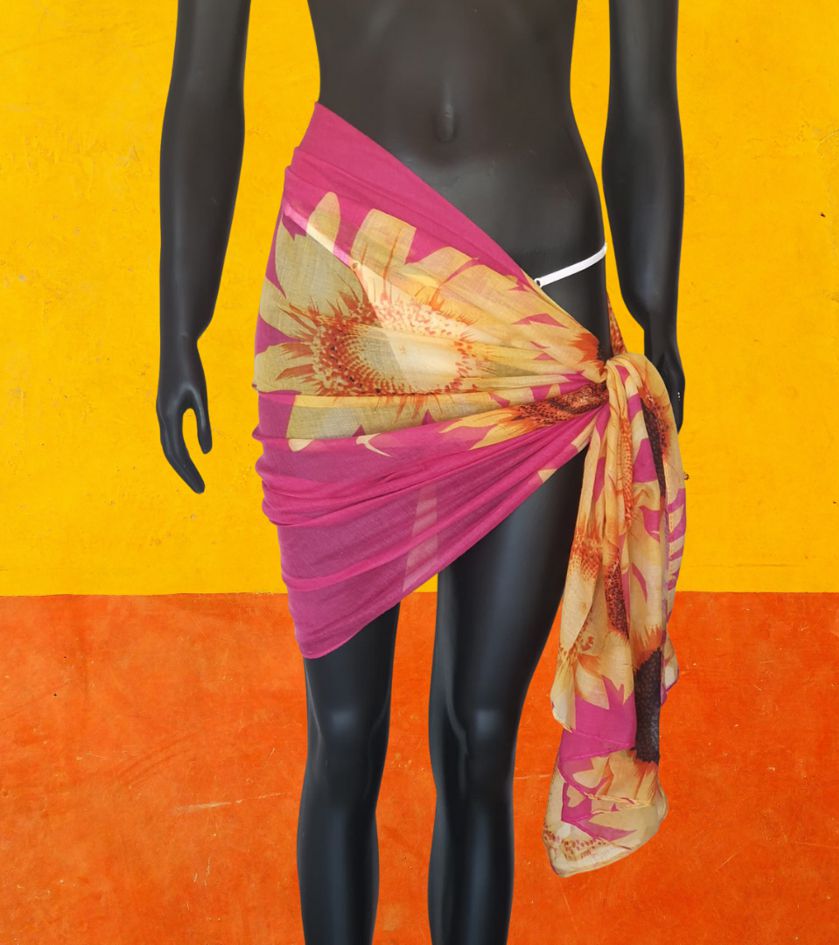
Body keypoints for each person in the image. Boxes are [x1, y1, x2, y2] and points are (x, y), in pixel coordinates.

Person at [156, 2, 685, 943]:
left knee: (481, 735)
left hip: (540, 313)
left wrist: (660, 313)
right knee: (343, 734)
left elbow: (643, 100)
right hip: (342, 297)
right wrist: (178, 323)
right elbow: (204, 85)